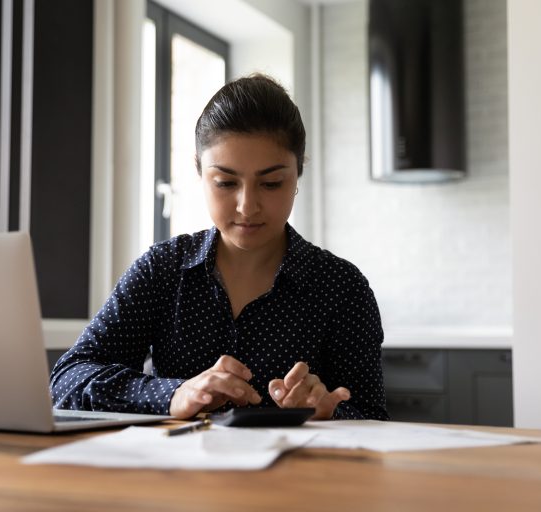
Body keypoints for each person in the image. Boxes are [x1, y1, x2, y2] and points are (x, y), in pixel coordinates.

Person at [50, 74, 388, 421]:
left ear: (297, 175)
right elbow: (66, 379)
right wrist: (174, 394)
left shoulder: (341, 287)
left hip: (294, 474)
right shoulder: (163, 269)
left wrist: (326, 412)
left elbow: (373, 417)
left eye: (271, 183)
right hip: (177, 470)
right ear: (200, 173)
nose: (247, 206)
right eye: (226, 182)